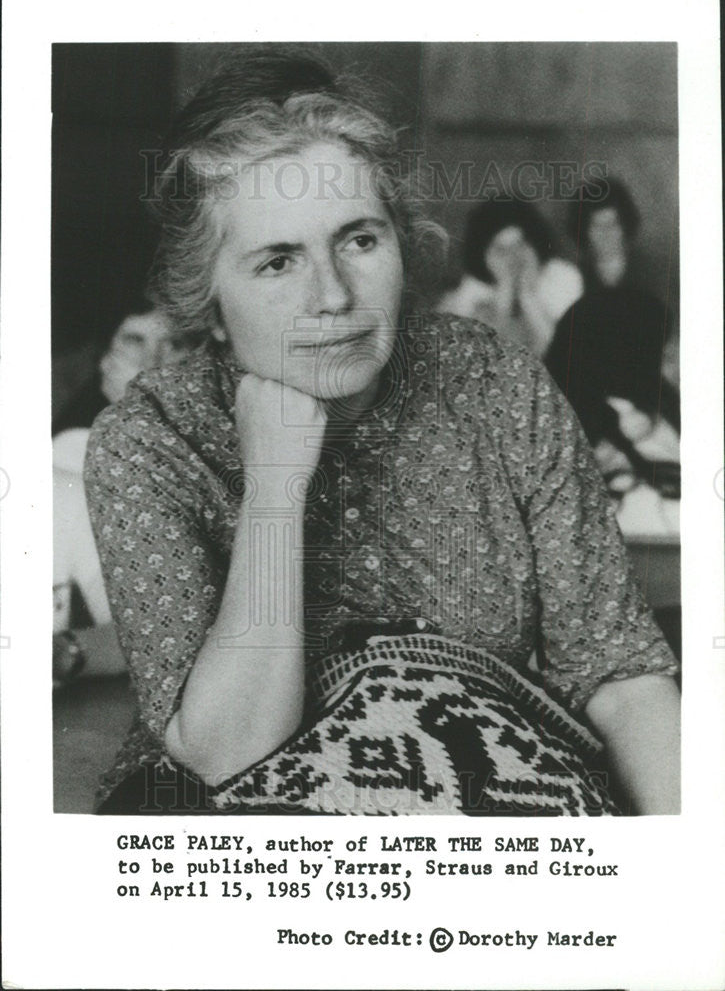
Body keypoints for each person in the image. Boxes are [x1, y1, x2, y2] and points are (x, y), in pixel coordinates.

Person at [85, 49, 680, 816]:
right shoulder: (150, 438)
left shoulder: (491, 380)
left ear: (402, 240)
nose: (332, 295)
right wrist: (273, 484)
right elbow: (226, 749)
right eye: (276, 262)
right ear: (208, 305)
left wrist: (685, 870)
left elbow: (618, 671)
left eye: (359, 240)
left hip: (504, 804)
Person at [53, 307, 198, 685]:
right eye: (135, 340)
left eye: (174, 344)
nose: (153, 359)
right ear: (105, 361)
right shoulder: (70, 453)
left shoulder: (208, 449)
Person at [545, 180, 680, 533]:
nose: (606, 233)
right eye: (596, 225)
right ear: (584, 232)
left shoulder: (655, 276)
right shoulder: (573, 280)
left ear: (626, 226)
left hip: (644, 387)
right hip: (592, 393)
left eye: (613, 223)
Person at [437, 197, 583, 356]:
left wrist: (527, 295)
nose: (514, 257)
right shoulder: (472, 287)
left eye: (520, 244)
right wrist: (504, 292)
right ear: (485, 255)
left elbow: (563, 353)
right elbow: (482, 357)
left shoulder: (562, 275)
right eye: (502, 250)